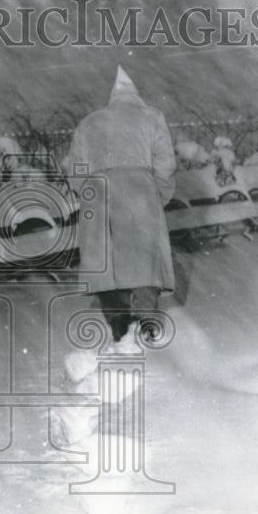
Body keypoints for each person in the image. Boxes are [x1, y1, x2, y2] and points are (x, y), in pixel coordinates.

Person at [65, 65, 176, 346]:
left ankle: (118, 322)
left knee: (106, 264)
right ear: (135, 95)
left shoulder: (89, 122)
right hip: (140, 192)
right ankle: (147, 322)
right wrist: (158, 195)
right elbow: (165, 164)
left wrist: (89, 194)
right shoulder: (151, 117)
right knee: (144, 260)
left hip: (98, 194)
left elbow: (76, 171)